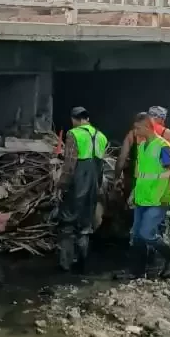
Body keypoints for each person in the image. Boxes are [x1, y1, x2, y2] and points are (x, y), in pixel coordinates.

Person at [124, 112, 170, 280]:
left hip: (159, 198)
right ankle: (137, 272)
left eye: (137, 129)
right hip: (143, 197)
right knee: (137, 234)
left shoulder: (162, 146)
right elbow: (142, 175)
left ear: (146, 127)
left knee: (146, 233)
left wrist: (168, 192)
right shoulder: (142, 146)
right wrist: (133, 193)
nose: (135, 132)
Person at [57, 106, 108, 273]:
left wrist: (62, 185)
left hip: (76, 186)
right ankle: (82, 265)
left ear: (74, 119)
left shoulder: (74, 134)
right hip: (93, 186)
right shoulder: (101, 137)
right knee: (85, 227)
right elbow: (100, 168)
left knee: (67, 224)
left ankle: (65, 266)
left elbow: (69, 165)